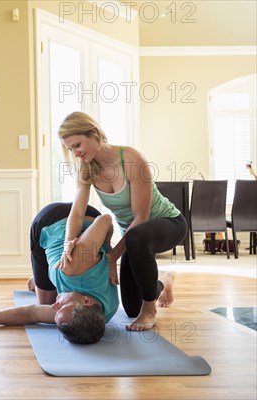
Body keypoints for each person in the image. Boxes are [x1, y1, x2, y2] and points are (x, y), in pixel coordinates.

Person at [0, 203, 175, 344]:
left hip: (78, 256)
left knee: (43, 300)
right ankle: (41, 278)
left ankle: (166, 280)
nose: (55, 307)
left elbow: (31, 313)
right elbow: (105, 220)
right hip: (55, 220)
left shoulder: (89, 318)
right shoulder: (76, 267)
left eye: (58, 314)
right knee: (50, 291)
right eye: (61, 308)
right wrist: (110, 254)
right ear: (86, 301)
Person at [57, 111, 186, 331]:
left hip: (168, 223)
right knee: (131, 307)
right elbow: (77, 212)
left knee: (137, 237)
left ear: (94, 133)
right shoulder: (86, 169)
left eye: (77, 145)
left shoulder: (132, 160)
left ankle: (150, 311)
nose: (76, 153)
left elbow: (141, 218)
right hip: (134, 237)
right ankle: (165, 281)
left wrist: (112, 257)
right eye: (70, 149)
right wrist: (67, 243)